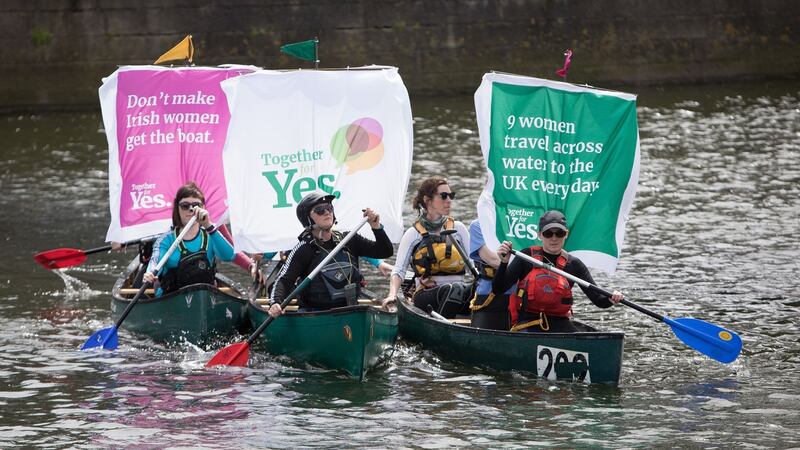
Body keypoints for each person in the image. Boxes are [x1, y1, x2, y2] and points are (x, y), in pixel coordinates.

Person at [493, 210, 624, 332]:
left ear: (566, 234)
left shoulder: (574, 264)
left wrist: (612, 298)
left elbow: (598, 300)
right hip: (528, 323)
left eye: (559, 233)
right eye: (548, 233)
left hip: (560, 323)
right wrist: (504, 262)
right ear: (540, 235)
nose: (554, 238)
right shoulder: (526, 257)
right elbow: (498, 289)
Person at [266, 192, 393, 317]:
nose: (327, 212)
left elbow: (385, 251)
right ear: (308, 218)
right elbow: (284, 280)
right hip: (316, 313)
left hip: (351, 309)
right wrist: (275, 302)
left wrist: (376, 226)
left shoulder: (348, 238)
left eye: (329, 208)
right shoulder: (303, 249)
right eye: (320, 210)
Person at [384, 176, 471, 318]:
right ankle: (442, 331)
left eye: (451, 195)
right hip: (426, 296)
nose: (449, 200)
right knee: (454, 289)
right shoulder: (413, 234)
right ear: (427, 200)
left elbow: (473, 264)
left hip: (459, 293)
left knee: (485, 288)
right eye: (444, 196)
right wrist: (392, 295)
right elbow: (399, 271)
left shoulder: (459, 229)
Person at [143, 182, 235, 295]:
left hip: (204, 298)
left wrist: (208, 225)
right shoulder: (166, 240)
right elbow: (155, 262)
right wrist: (150, 273)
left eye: (196, 206)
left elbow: (230, 256)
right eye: (185, 206)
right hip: (171, 298)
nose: (191, 210)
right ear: (177, 209)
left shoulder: (210, 235)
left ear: (203, 208)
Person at [468, 219, 514, 330]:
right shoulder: (478, 225)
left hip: (518, 295)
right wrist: (521, 266)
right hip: (488, 295)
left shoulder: (520, 223)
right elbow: (492, 260)